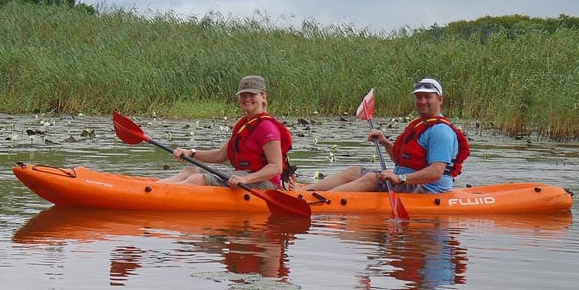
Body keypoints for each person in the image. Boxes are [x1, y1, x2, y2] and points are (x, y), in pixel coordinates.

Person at [302, 77, 469, 193]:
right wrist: (384, 142)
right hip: (409, 180)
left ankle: (321, 200)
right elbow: (401, 161)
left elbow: (436, 172)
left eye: (428, 97)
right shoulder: (420, 125)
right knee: (354, 171)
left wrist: (400, 178)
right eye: (419, 97)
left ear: (440, 99)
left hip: (430, 189)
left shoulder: (440, 131)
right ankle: (306, 192)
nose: (422, 101)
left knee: (372, 179)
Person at [160, 75, 293, 188]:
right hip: (244, 175)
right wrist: (190, 153)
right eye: (243, 95)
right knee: (190, 170)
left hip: (264, 183)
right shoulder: (244, 125)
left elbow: (276, 167)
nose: (247, 99)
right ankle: (154, 189)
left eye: (252, 95)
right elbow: (220, 156)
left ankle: (160, 196)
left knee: (197, 179)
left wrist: (246, 179)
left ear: (263, 97)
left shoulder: (266, 127)